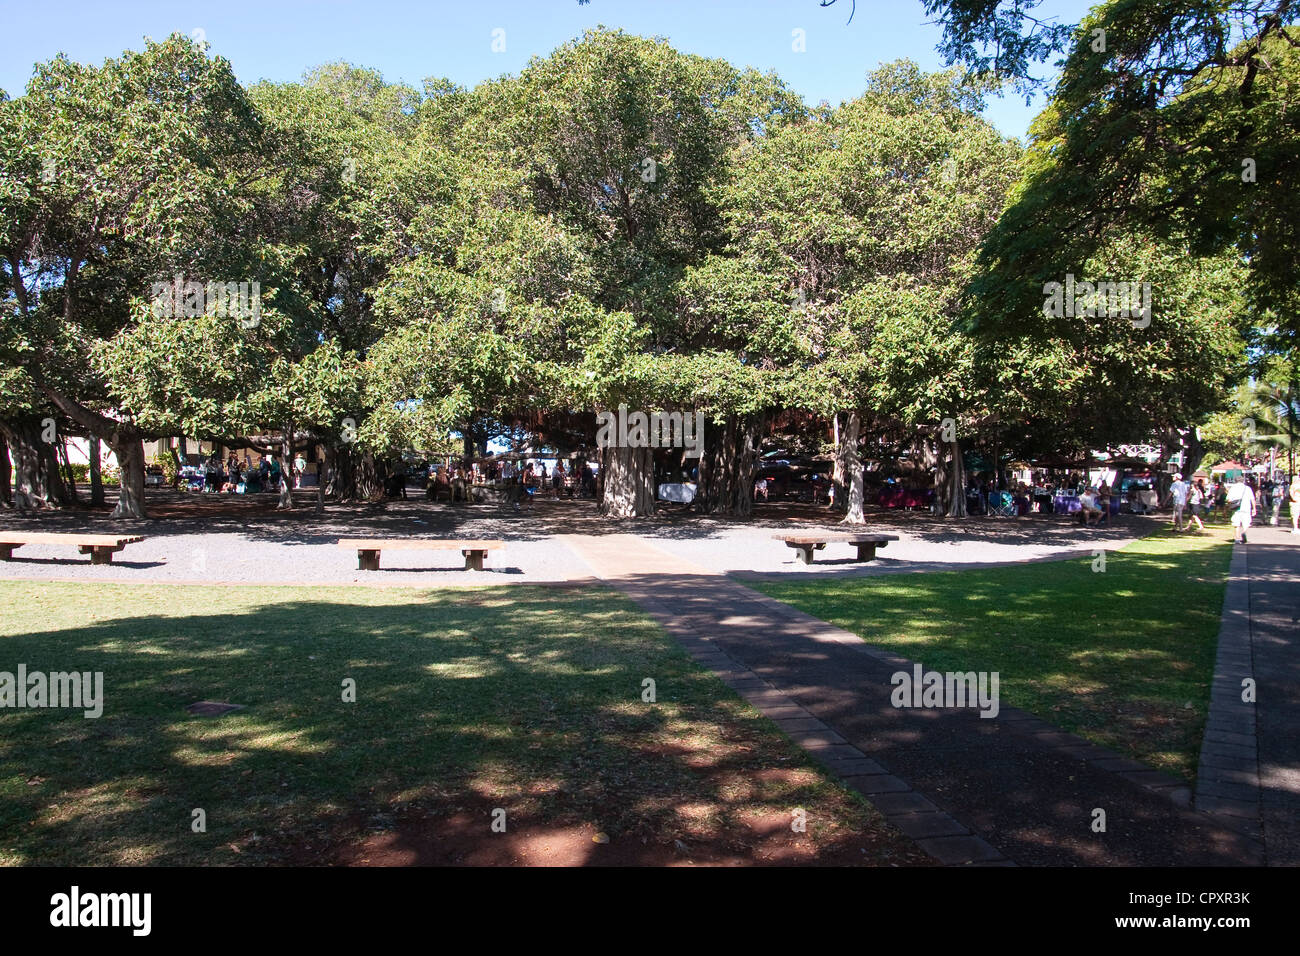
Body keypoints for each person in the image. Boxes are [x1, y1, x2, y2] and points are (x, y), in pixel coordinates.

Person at [1230, 477, 1256, 544]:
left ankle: (1237, 538)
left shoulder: (1233, 488)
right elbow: (1252, 499)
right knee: (1246, 522)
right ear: (1243, 481)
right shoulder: (1247, 488)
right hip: (1246, 508)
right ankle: (1244, 532)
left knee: (1236, 524)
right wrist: (1254, 508)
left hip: (1236, 508)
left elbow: (1229, 499)